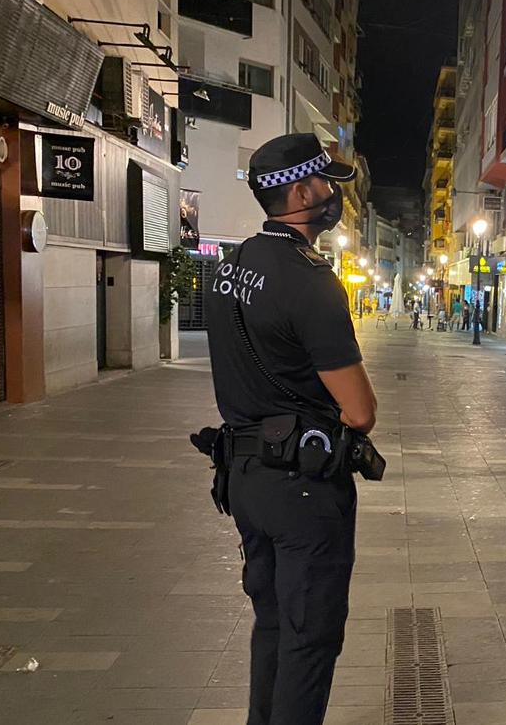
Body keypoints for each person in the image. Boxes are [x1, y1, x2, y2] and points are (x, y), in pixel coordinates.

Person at [203, 133, 378, 725]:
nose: (333, 197)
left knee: (274, 624)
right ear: (301, 191)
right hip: (303, 487)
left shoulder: (227, 269)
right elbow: (359, 411)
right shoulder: (310, 281)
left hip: (245, 474)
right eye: (327, 185)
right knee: (311, 637)